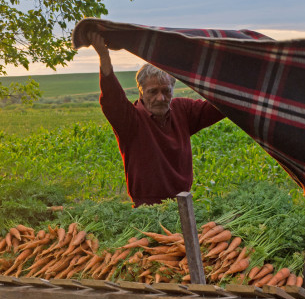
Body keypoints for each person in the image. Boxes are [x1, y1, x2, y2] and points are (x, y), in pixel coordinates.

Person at [87, 31, 224, 207]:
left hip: (182, 203)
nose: (161, 98)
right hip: (146, 207)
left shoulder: (183, 110)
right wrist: (104, 56)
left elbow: (219, 106)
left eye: (166, 91)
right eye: (153, 91)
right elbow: (112, 98)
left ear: (173, 91)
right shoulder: (130, 120)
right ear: (141, 91)